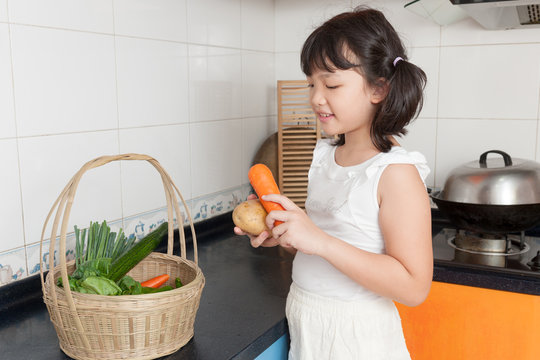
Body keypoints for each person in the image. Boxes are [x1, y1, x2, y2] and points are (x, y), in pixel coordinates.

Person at [234, 6, 432, 360]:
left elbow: (414, 287)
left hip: (358, 338)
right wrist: (285, 234)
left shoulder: (395, 172)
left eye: (332, 84)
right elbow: (324, 249)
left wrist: (319, 241)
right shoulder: (324, 155)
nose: (315, 98)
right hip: (308, 323)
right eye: (312, 83)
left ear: (379, 89)